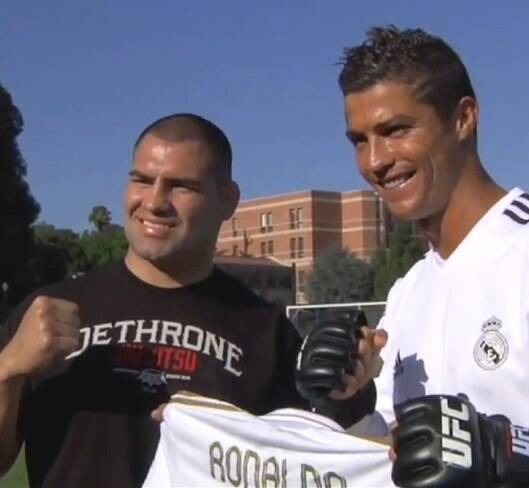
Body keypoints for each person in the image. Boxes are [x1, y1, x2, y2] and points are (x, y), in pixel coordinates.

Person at [297, 26, 529, 487]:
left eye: (396, 130)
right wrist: (351, 407)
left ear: (464, 119)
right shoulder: (407, 294)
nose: (375, 160)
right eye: (359, 140)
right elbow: (399, 459)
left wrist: (520, 458)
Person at [0, 113, 306, 487]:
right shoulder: (48, 312)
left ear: (227, 200)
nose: (155, 201)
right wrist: (9, 367)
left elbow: (296, 471)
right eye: (142, 180)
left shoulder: (266, 332)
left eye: (181, 186)